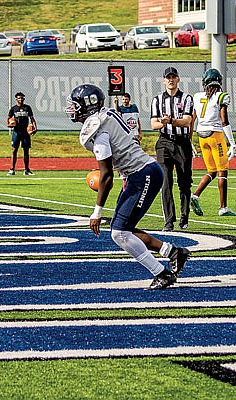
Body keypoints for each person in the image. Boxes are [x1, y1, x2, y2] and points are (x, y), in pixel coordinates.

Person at [66, 83, 190, 290]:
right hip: (140, 173)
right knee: (124, 229)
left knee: (119, 233)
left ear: (88, 106)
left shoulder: (99, 132)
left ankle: (162, 273)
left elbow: (106, 176)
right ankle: (172, 252)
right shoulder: (105, 118)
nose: (72, 108)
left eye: (76, 104)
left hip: (142, 175)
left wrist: (96, 212)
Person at [189, 68, 236, 217]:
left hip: (201, 136)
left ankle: (195, 195)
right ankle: (223, 207)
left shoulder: (197, 96)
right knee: (222, 171)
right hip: (215, 135)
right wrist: (232, 143)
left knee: (211, 170)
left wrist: (189, 139)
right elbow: (224, 120)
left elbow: (192, 119)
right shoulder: (221, 96)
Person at [150, 67, 194, 231]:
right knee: (165, 182)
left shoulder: (187, 98)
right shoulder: (157, 100)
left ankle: (184, 216)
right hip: (164, 142)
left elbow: (187, 121)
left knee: (184, 182)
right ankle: (169, 221)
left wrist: (171, 121)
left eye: (173, 77)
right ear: (163, 80)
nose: (171, 80)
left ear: (178, 79)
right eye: (168, 78)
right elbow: (154, 124)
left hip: (182, 143)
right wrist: (164, 122)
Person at [6, 92, 37, 176]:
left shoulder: (27, 108)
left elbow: (32, 118)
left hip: (25, 132)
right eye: (19, 98)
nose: (21, 99)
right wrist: (9, 124)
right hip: (16, 132)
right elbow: (8, 118)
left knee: (26, 151)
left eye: (22, 98)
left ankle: (27, 169)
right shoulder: (13, 109)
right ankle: (12, 169)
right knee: (14, 150)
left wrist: (35, 127)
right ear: (16, 99)